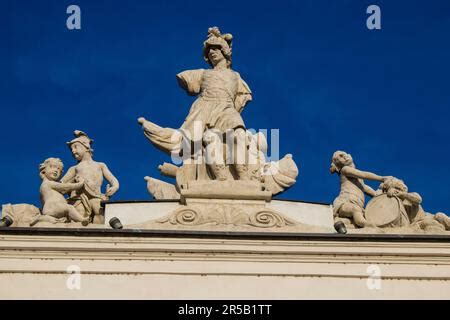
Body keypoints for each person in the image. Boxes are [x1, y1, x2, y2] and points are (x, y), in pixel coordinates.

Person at [139, 27, 252, 182]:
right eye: (209, 50)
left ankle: (243, 176)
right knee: (209, 137)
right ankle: (222, 178)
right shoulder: (203, 73)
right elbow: (183, 78)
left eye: (215, 49)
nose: (212, 53)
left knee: (239, 135)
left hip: (227, 107)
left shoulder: (235, 76)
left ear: (224, 52)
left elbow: (243, 97)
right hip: (205, 107)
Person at [61, 130, 119, 224]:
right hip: (78, 198)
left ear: (86, 146)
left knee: (99, 211)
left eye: (76, 147)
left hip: (96, 196)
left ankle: (97, 235)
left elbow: (113, 180)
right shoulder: (74, 168)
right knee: (79, 214)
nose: (73, 151)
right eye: (71, 149)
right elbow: (61, 184)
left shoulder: (100, 165)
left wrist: (114, 187)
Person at [330, 150, 391, 227]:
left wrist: (378, 195)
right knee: (355, 210)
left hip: (357, 205)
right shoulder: (345, 169)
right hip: (345, 202)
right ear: (338, 163)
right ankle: (367, 225)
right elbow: (363, 174)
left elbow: (365, 188)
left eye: (344, 154)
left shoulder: (359, 181)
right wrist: (382, 178)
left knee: (357, 213)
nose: (344, 156)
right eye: (341, 156)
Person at [379, 177, 450, 232]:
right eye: (399, 187)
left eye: (402, 187)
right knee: (430, 224)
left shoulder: (409, 196)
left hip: (427, 218)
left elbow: (418, 200)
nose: (403, 188)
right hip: (417, 224)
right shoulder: (394, 203)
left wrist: (403, 194)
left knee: (440, 216)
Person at [38, 157, 89, 226]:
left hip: (53, 208)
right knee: (69, 208)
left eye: (59, 169)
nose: (56, 170)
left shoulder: (48, 186)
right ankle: (82, 220)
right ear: (44, 170)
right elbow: (66, 187)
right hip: (52, 207)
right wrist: (80, 183)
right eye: (52, 167)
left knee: (69, 209)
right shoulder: (47, 183)